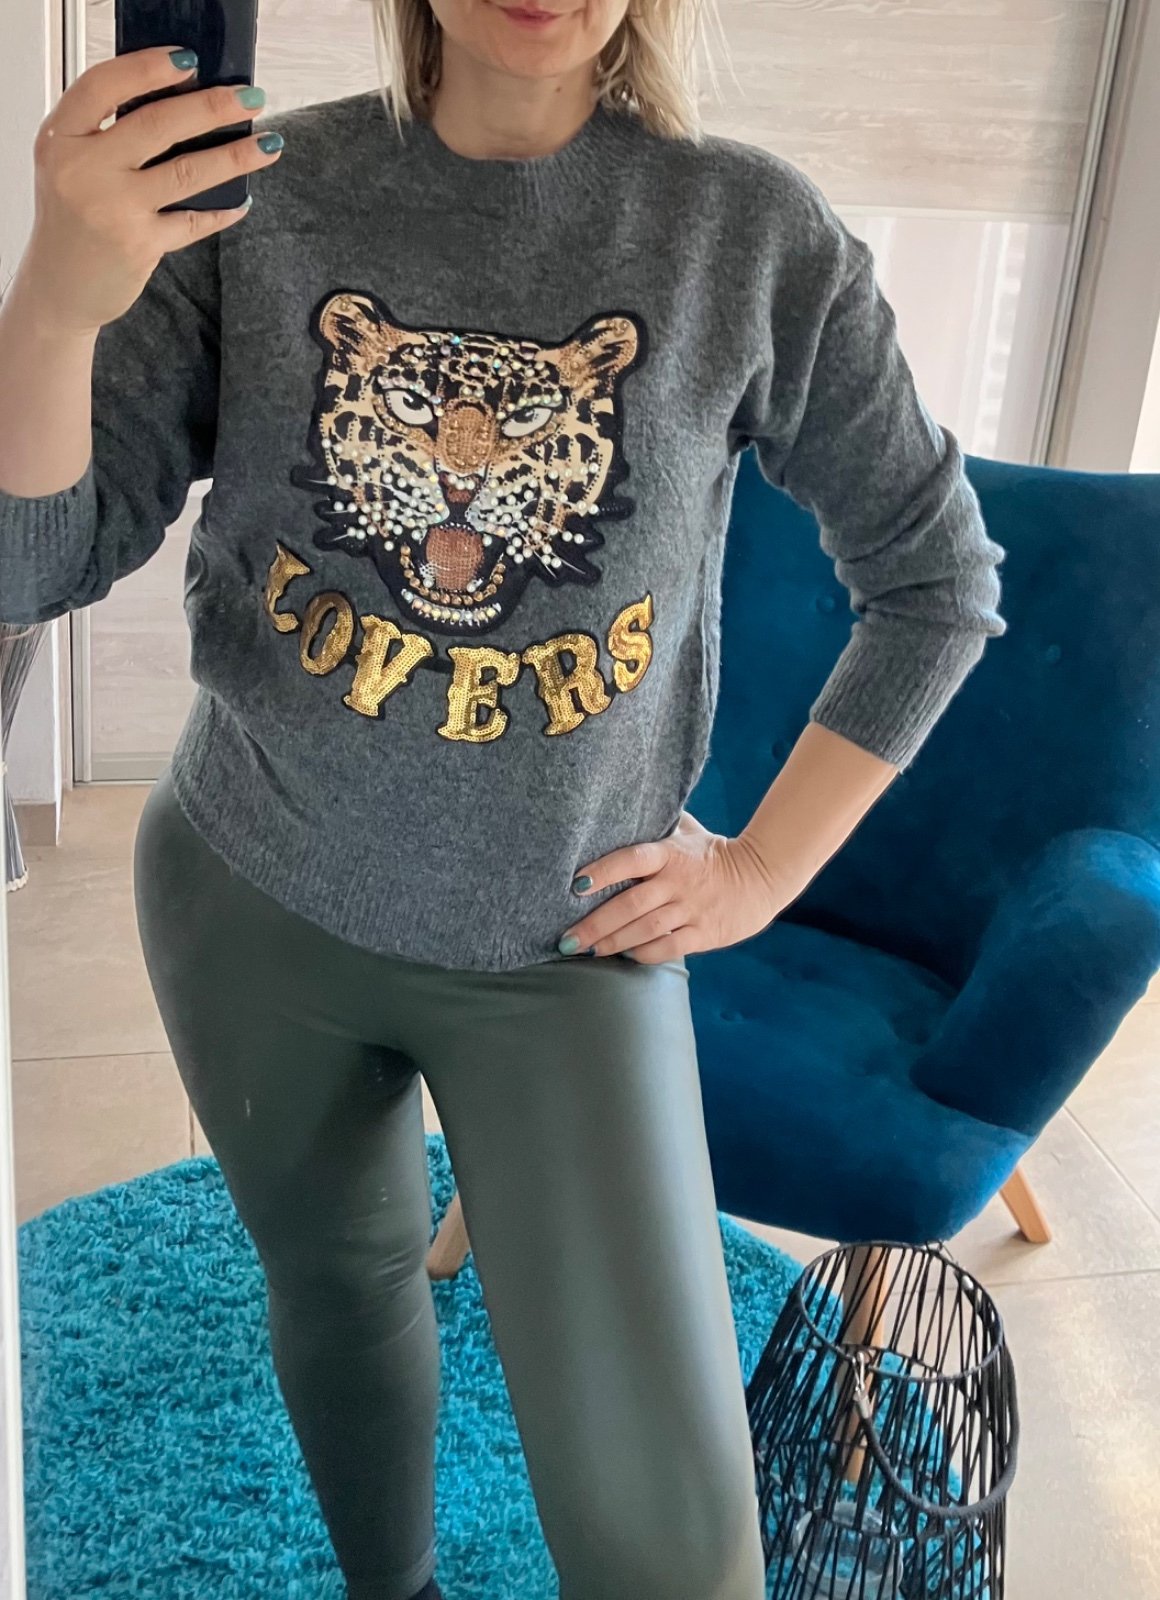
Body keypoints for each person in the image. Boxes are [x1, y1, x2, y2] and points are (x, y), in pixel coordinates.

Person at [0, 1, 1005, 1595]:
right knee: (340, 1294)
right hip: (250, 896)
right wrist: (55, 300)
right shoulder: (257, 202)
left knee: (676, 1546)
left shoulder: (743, 234)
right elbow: (32, 565)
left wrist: (760, 873)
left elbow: (937, 584)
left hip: (567, 947)